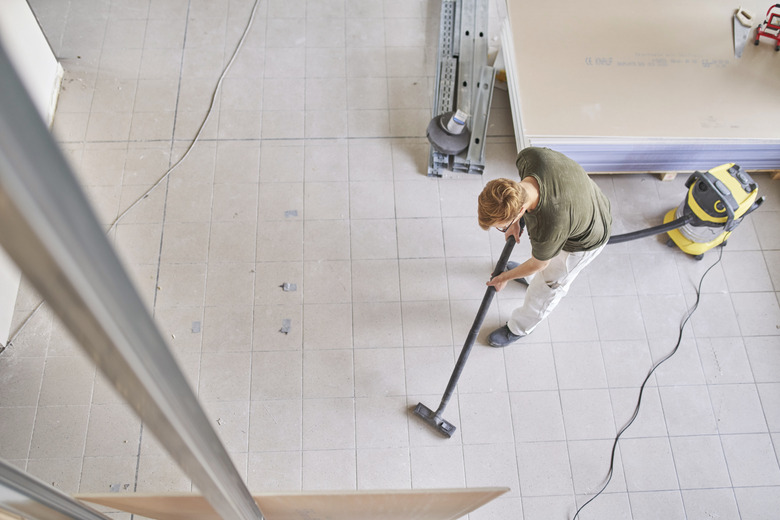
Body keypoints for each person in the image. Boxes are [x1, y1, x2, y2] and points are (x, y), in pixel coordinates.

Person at [477, 147, 612, 347]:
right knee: (541, 264)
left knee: (547, 288)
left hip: (584, 240)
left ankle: (519, 328)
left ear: (521, 210)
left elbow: (539, 263)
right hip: (584, 200)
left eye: (502, 227)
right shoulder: (530, 158)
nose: (504, 229)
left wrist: (503, 278)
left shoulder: (549, 224)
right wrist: (513, 220)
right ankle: (527, 278)